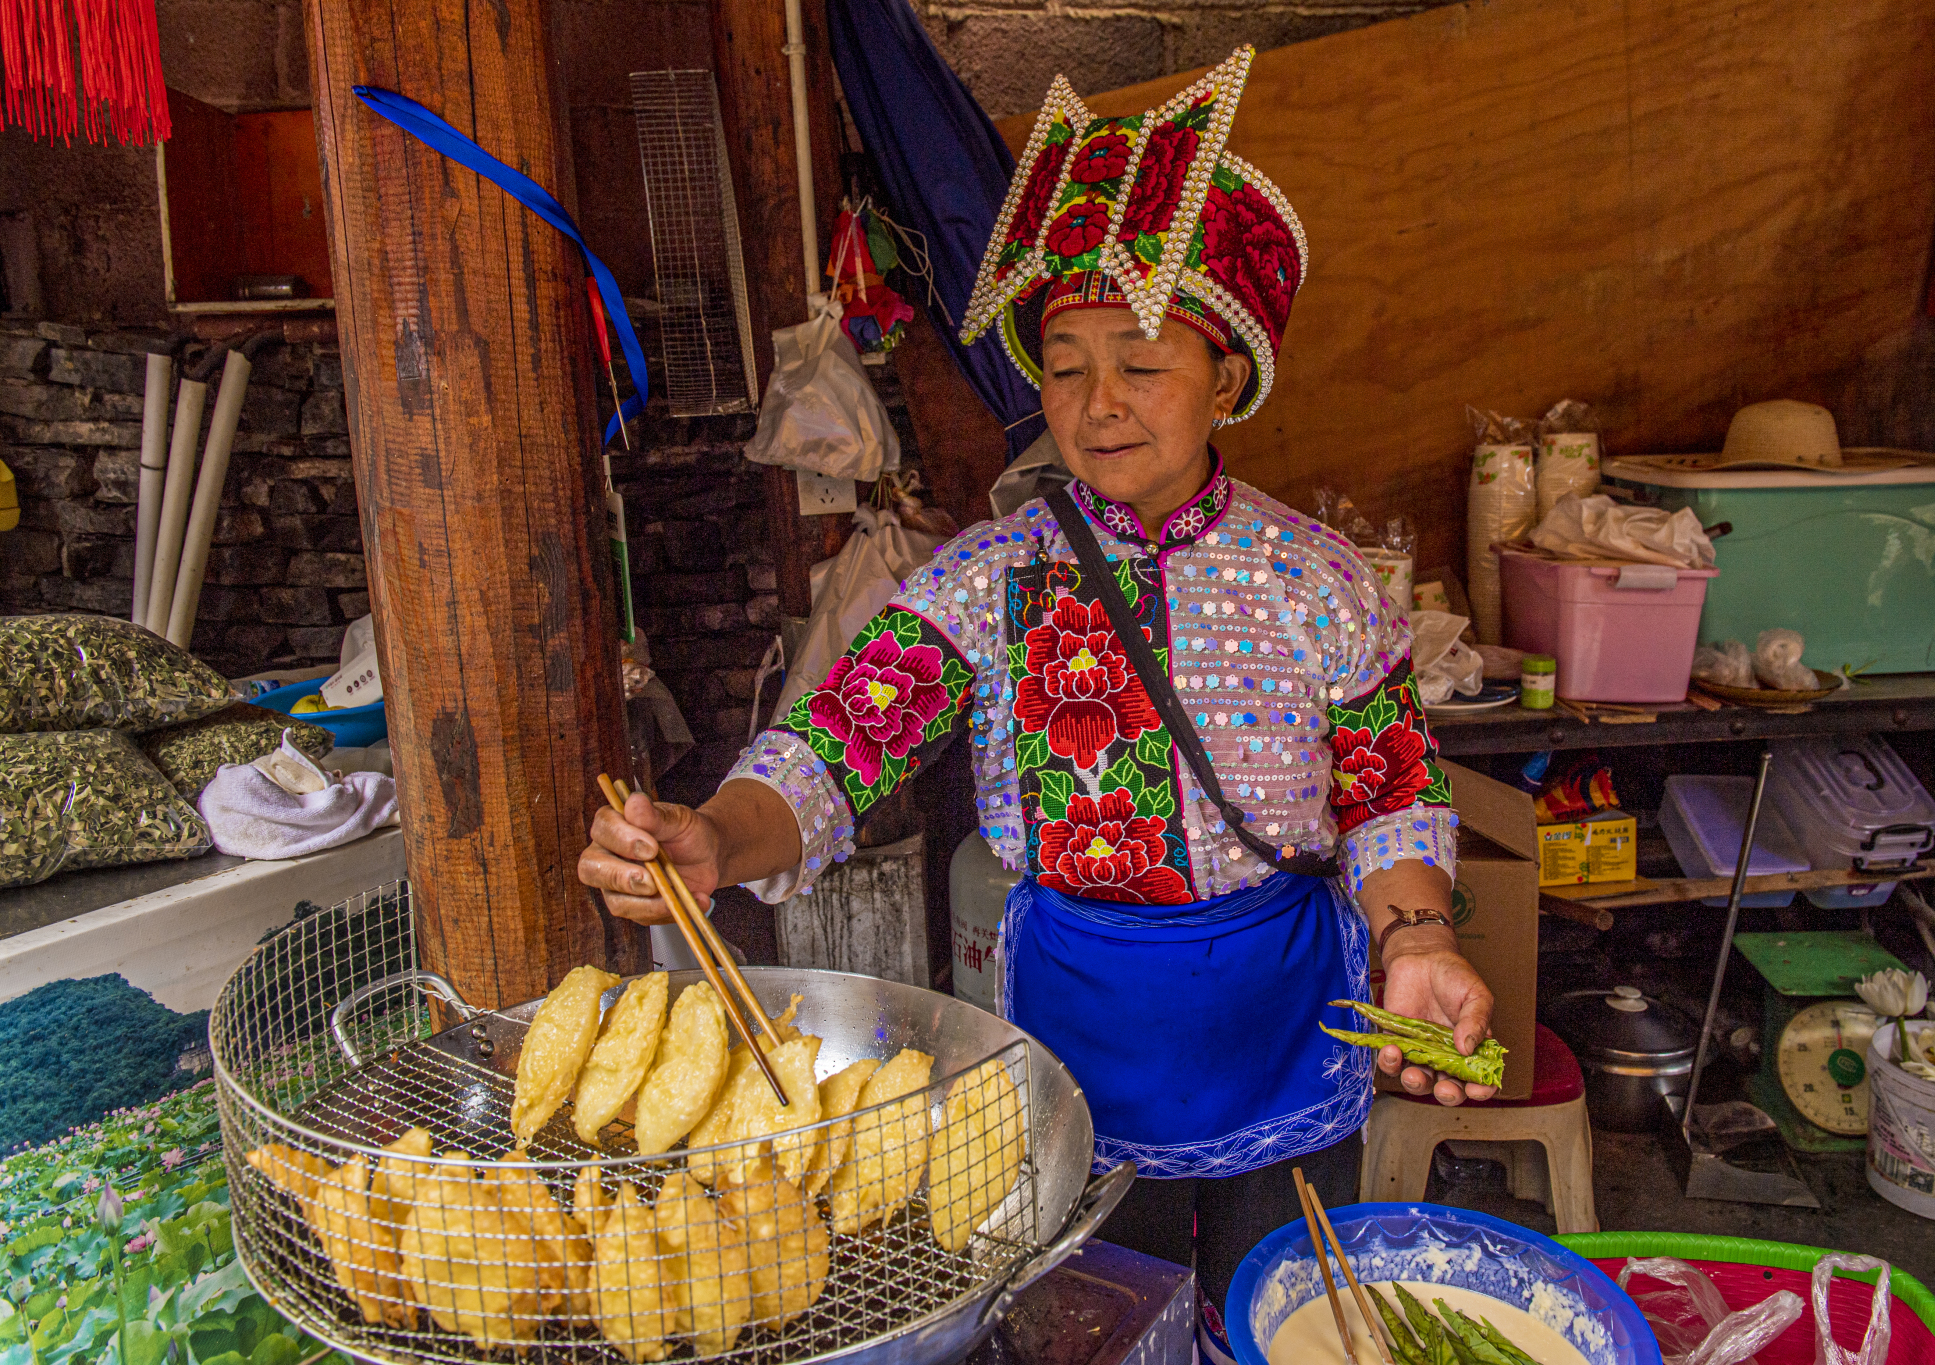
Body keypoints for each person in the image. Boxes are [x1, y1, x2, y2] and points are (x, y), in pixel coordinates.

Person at [578, 46, 1496, 1360]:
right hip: (1073, 1051)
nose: (1099, 402)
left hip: (1285, 1042)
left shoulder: (1319, 578)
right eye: (1066, 366)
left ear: (1227, 376)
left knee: (1280, 1328)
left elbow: (1394, 787)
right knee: (1088, 1335)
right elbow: (834, 748)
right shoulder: (986, 580)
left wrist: (1417, 940)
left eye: (1141, 361)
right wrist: (716, 835)